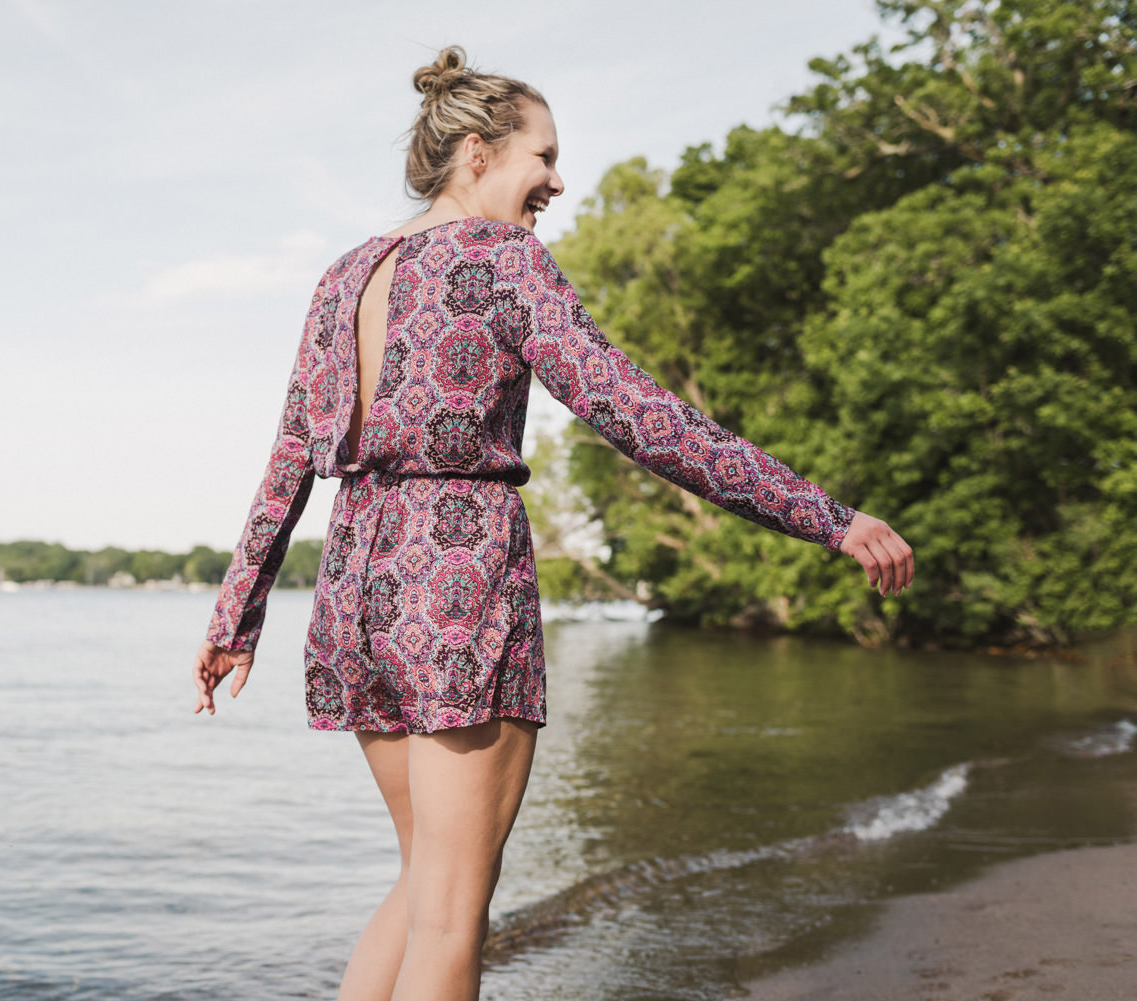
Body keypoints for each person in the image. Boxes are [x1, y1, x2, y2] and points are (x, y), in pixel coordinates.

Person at [190, 44, 913, 1001]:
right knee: (454, 908)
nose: (558, 180)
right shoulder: (501, 260)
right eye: (544, 156)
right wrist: (824, 515)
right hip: (457, 576)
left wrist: (235, 619)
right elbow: (642, 417)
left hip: (356, 589)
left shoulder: (345, 275)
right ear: (479, 153)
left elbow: (291, 455)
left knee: (421, 888)